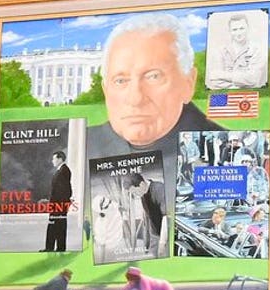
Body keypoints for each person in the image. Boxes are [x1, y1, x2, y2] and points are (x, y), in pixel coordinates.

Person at [86, 12, 223, 210]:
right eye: (120, 80)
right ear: (106, 91)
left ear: (188, 83)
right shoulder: (79, 149)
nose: (135, 98)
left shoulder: (221, 157)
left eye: (153, 76)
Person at [205, 13, 268, 89]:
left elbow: (253, 79)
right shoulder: (220, 51)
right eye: (235, 29)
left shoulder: (257, 50)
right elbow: (213, 79)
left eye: (242, 28)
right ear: (229, 31)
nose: (239, 33)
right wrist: (239, 84)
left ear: (248, 28)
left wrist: (222, 75)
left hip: (249, 95)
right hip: (228, 94)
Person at [124, 172, 167, 256]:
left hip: (165, 235)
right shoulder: (143, 194)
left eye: (135, 192)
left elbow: (166, 217)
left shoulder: (159, 189)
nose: (135, 195)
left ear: (142, 184)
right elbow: (148, 217)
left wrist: (162, 243)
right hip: (155, 235)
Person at [43, 150, 73, 252]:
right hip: (58, 204)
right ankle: (55, 247)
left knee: (56, 225)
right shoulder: (62, 170)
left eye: (54, 159)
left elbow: (64, 190)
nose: (52, 161)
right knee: (57, 225)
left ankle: (52, 248)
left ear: (60, 159)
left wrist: (59, 204)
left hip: (59, 205)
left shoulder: (63, 171)